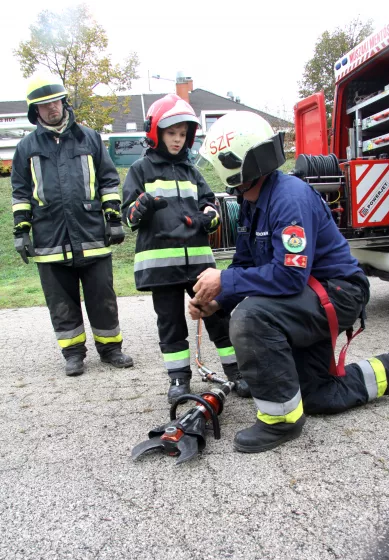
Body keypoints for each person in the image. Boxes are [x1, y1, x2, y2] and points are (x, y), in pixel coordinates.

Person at [188, 110, 389, 453]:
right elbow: (245, 264)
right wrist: (216, 301)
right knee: (316, 395)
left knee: (253, 316)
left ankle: (281, 422)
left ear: (236, 163)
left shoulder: (289, 198)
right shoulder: (250, 203)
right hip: (309, 295)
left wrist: (224, 281)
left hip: (340, 292)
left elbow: (288, 275)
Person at [122, 94, 250, 402]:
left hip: (198, 267)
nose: (178, 140)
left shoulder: (193, 172)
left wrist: (211, 216)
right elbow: (128, 217)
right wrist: (140, 207)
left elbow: (211, 206)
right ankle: (179, 380)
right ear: (156, 133)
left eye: (182, 134)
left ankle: (236, 373)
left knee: (218, 316)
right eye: (171, 133)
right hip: (161, 267)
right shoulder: (139, 170)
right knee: (171, 324)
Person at [11, 75, 133, 376]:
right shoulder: (26, 147)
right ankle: (73, 354)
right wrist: (21, 231)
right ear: (35, 111)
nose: (51, 108)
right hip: (49, 238)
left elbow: (107, 180)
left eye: (55, 101)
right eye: (44, 105)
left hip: (91, 233)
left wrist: (114, 219)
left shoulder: (89, 138)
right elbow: (20, 192)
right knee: (60, 302)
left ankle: (111, 349)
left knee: (102, 297)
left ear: (64, 102)